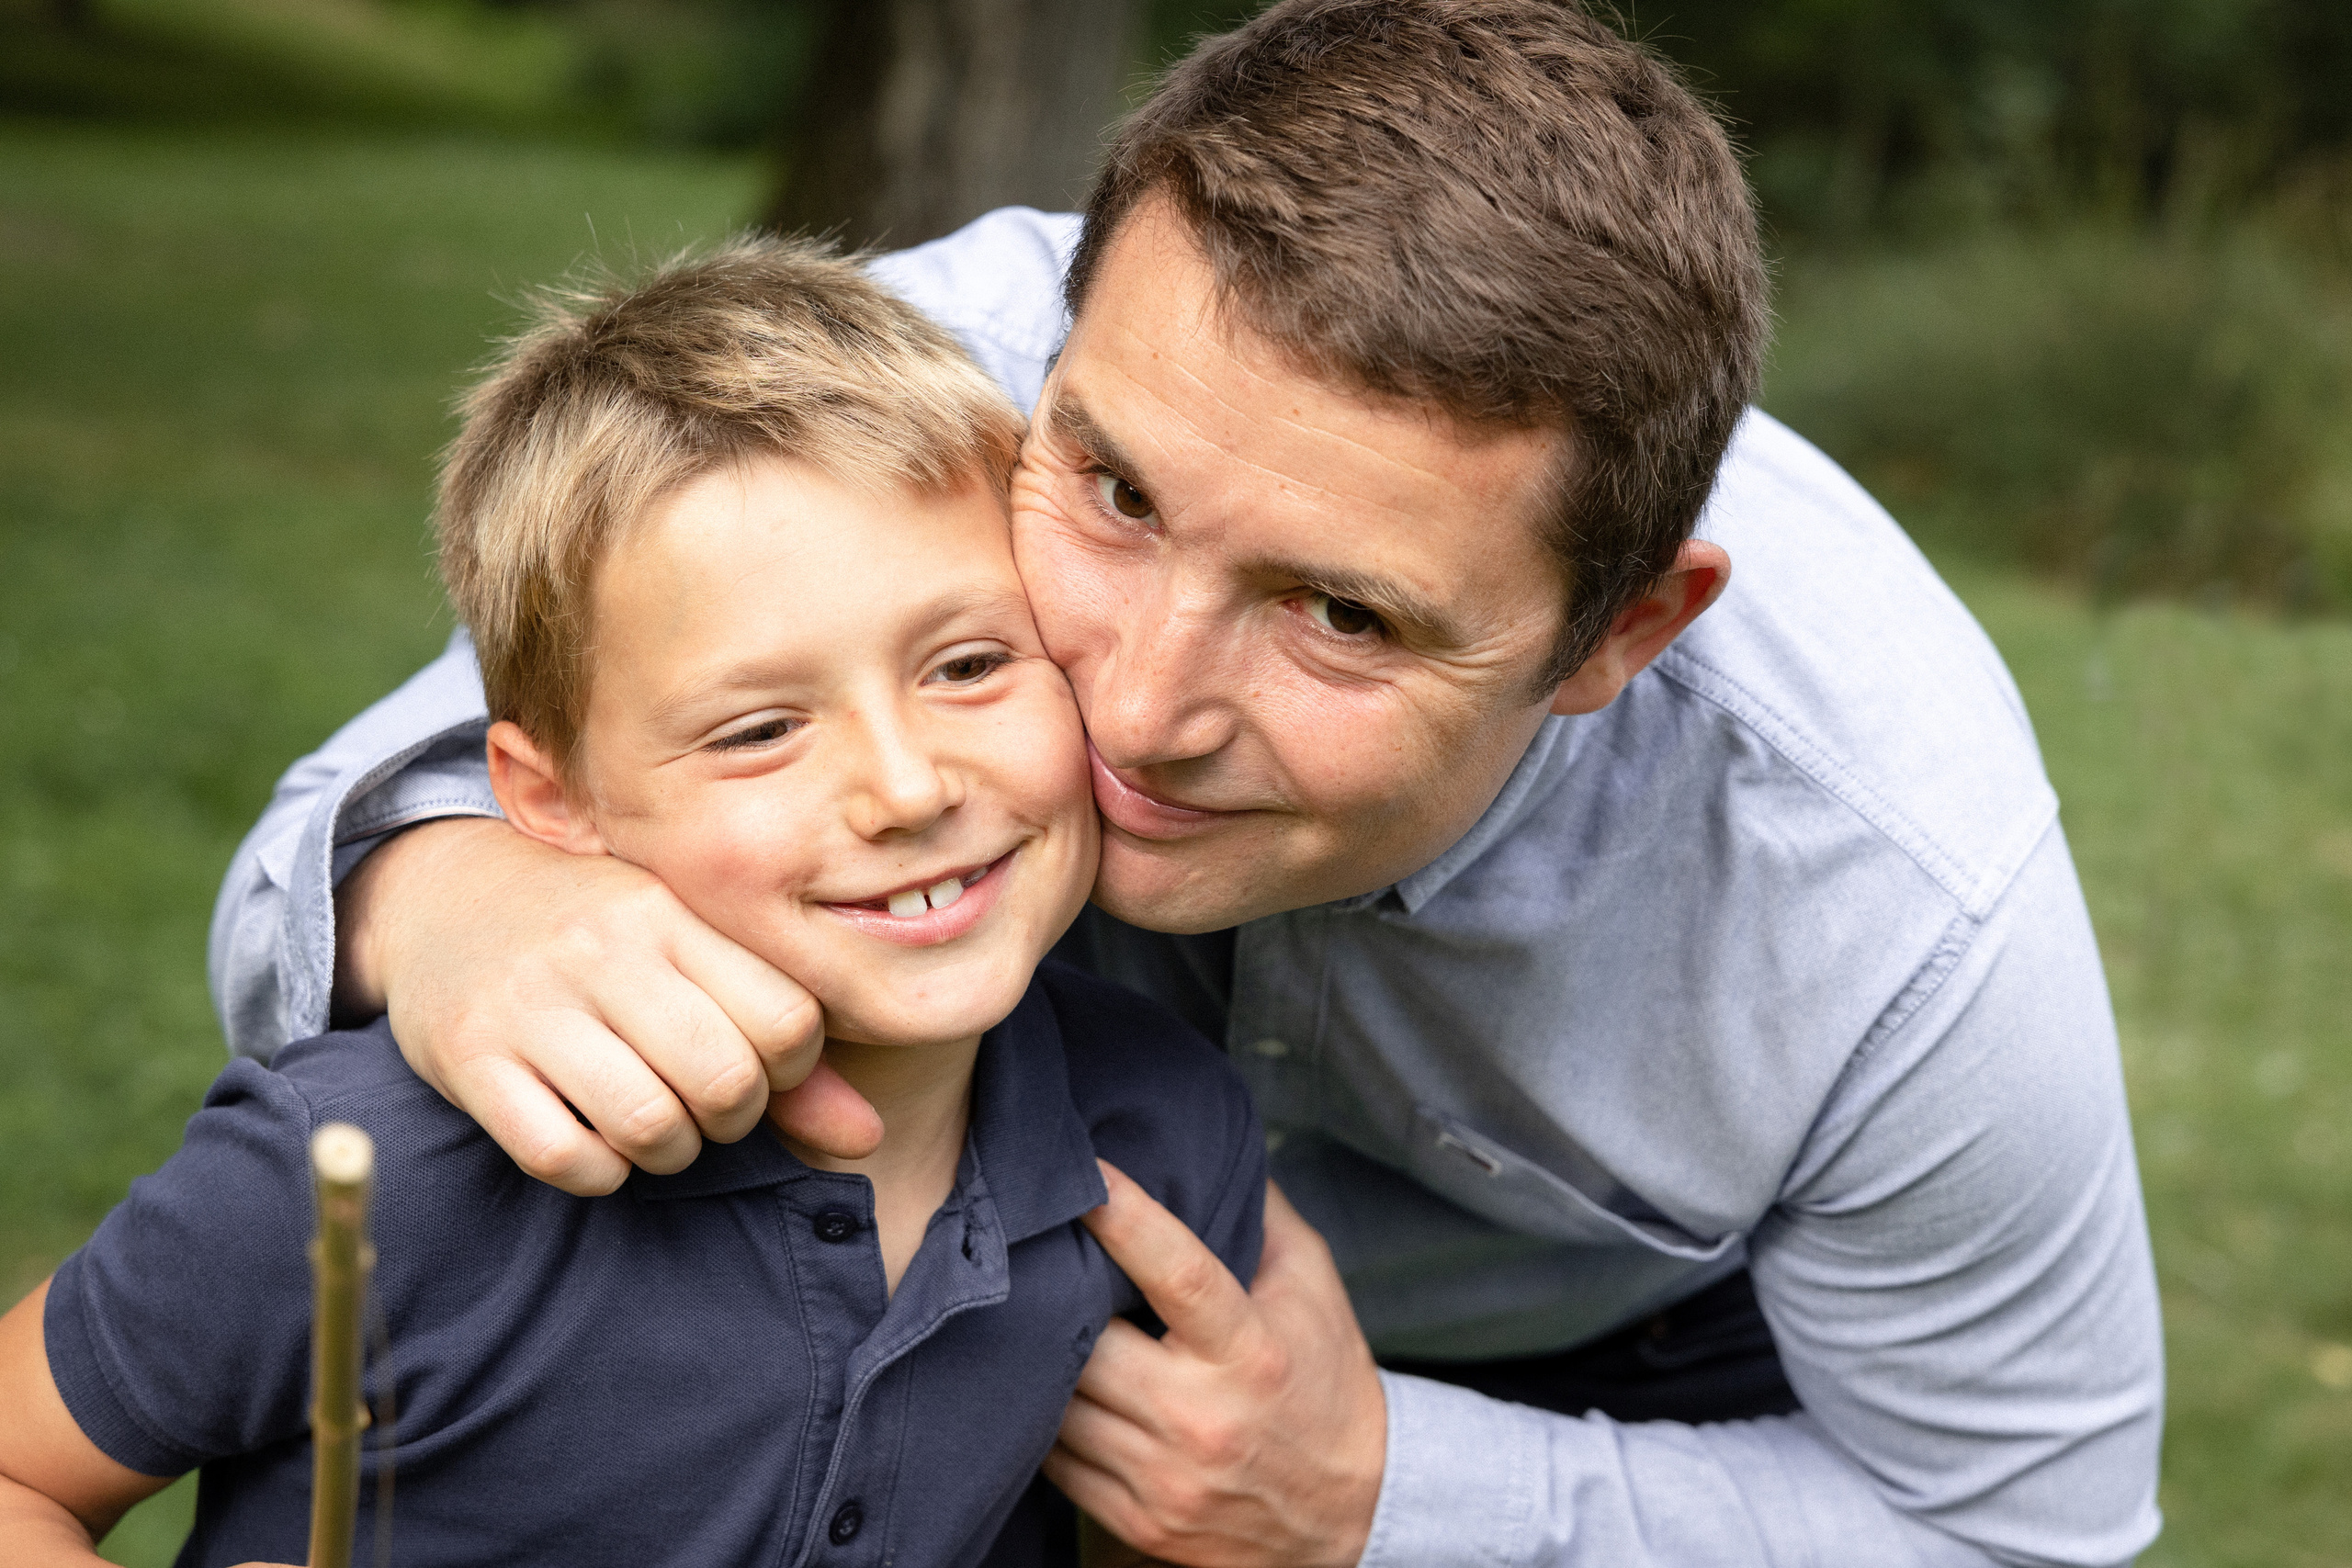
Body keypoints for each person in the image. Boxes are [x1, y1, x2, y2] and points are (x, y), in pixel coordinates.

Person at [208, 2, 2165, 1564]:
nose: (1133, 708)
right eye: (1118, 493)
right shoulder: (913, 386)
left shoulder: (1892, 904)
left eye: (1341, 617)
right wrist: (449, 885)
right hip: (907, 1264)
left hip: (1593, 1385)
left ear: (1615, 637)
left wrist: (1381, 1489)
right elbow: (337, 845)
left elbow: (2015, 1530)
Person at [0, 239, 1264, 1568]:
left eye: (966, 663)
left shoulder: (1166, 1134)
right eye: (760, 730)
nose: (904, 786)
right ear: (552, 800)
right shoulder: (368, 1175)